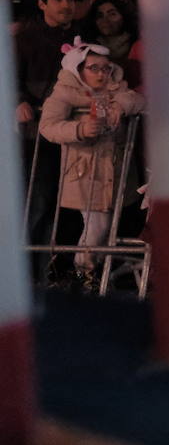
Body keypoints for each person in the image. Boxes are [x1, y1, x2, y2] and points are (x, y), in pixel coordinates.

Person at [38, 39, 146, 291]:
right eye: (94, 68)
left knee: (104, 225)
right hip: (84, 171)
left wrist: (121, 104)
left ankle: (87, 272)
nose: (101, 73)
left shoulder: (117, 90)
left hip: (114, 171)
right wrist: (79, 128)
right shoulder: (65, 92)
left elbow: (139, 101)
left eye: (105, 68)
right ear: (79, 69)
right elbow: (47, 126)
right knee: (97, 225)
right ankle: (83, 272)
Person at [16, 0, 79, 256]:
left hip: (73, 133)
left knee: (66, 204)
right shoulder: (25, 38)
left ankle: (54, 270)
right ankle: (27, 272)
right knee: (37, 200)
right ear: (42, 4)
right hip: (36, 134)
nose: (66, 5)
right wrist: (19, 101)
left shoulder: (83, 37)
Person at [81, 0, 140, 88]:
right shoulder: (87, 47)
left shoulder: (137, 45)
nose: (105, 20)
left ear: (123, 16)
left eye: (112, 14)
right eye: (100, 15)